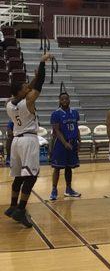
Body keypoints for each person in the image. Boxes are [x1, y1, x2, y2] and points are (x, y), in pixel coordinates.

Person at [4, 53, 54, 228]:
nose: (29, 88)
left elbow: (26, 90)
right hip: (28, 141)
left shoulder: (10, 104)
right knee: (31, 176)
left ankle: (12, 206)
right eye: (25, 87)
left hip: (16, 142)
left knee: (18, 176)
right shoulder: (28, 102)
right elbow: (38, 85)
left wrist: (30, 81)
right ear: (21, 92)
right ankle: (20, 209)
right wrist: (42, 63)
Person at [49, 93, 82, 200]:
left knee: (69, 167)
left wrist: (79, 140)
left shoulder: (75, 112)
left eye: (66, 98)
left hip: (72, 142)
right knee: (57, 168)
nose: (64, 100)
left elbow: (76, 127)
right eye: (62, 99)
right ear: (59, 100)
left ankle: (69, 189)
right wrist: (65, 143)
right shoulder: (56, 114)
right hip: (61, 143)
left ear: (69, 100)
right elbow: (56, 131)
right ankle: (54, 190)